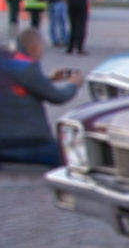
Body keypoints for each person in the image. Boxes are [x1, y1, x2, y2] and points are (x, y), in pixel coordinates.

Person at [0, 28, 82, 167]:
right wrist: (73, 85)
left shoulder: (9, 63)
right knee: (76, 157)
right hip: (28, 142)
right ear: (34, 48)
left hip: (3, 141)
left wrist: (48, 80)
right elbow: (57, 97)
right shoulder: (27, 68)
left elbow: (19, 88)